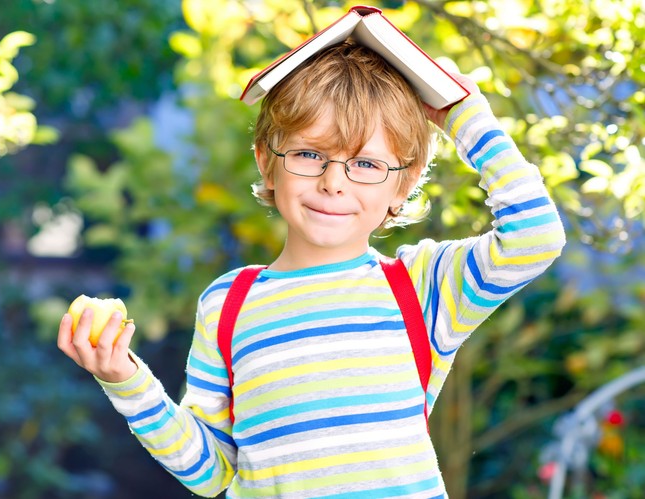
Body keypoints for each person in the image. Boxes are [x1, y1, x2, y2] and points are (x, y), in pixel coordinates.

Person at [58, 40, 566, 498]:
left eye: (366, 164)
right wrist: (124, 379)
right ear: (266, 161)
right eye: (308, 154)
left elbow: (535, 239)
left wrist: (466, 119)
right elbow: (210, 472)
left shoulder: (423, 287)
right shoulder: (229, 304)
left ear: (404, 182)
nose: (333, 182)